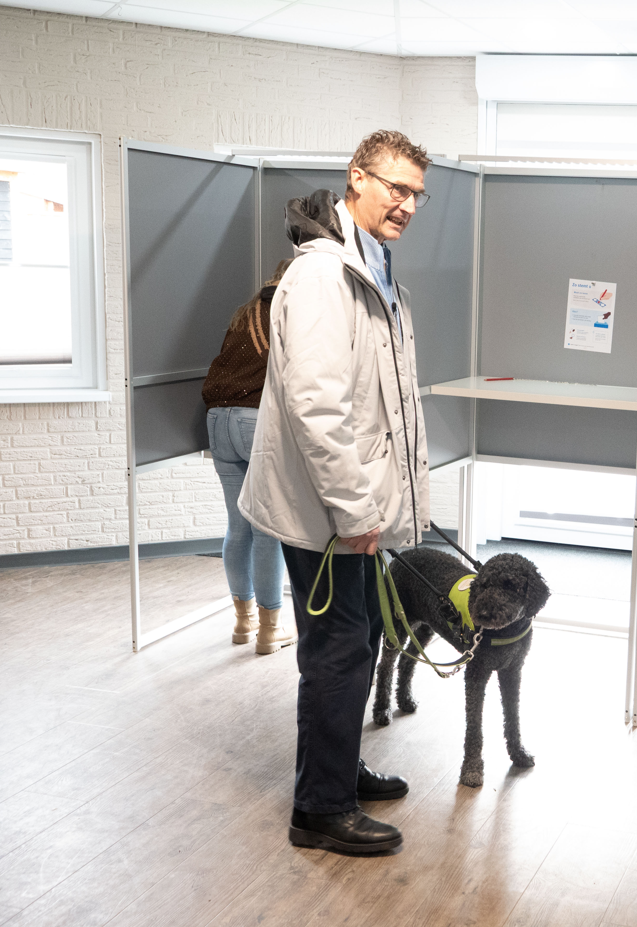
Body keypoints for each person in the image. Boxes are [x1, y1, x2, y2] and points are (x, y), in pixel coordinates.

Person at [239, 130, 432, 855]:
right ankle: (320, 807)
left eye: (416, 194)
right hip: (325, 513)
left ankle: (338, 767)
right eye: (394, 187)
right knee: (340, 648)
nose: (406, 204)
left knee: (359, 638)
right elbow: (321, 408)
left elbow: (388, 404)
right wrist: (357, 512)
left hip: (356, 509)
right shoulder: (323, 276)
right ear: (357, 177)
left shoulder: (374, 269)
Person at [202, 261, 297, 655]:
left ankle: (244, 623)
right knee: (266, 530)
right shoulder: (291, 310)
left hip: (217, 420)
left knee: (237, 528)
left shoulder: (246, 313)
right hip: (253, 421)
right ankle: (270, 629)